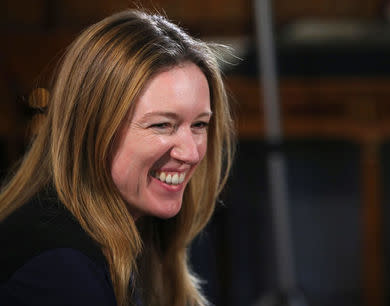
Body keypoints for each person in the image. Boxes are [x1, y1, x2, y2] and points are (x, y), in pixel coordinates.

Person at [0, 9, 235, 306]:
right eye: (162, 125)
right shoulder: (62, 270)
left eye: (199, 124)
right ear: (93, 129)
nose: (190, 153)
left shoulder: (139, 233)